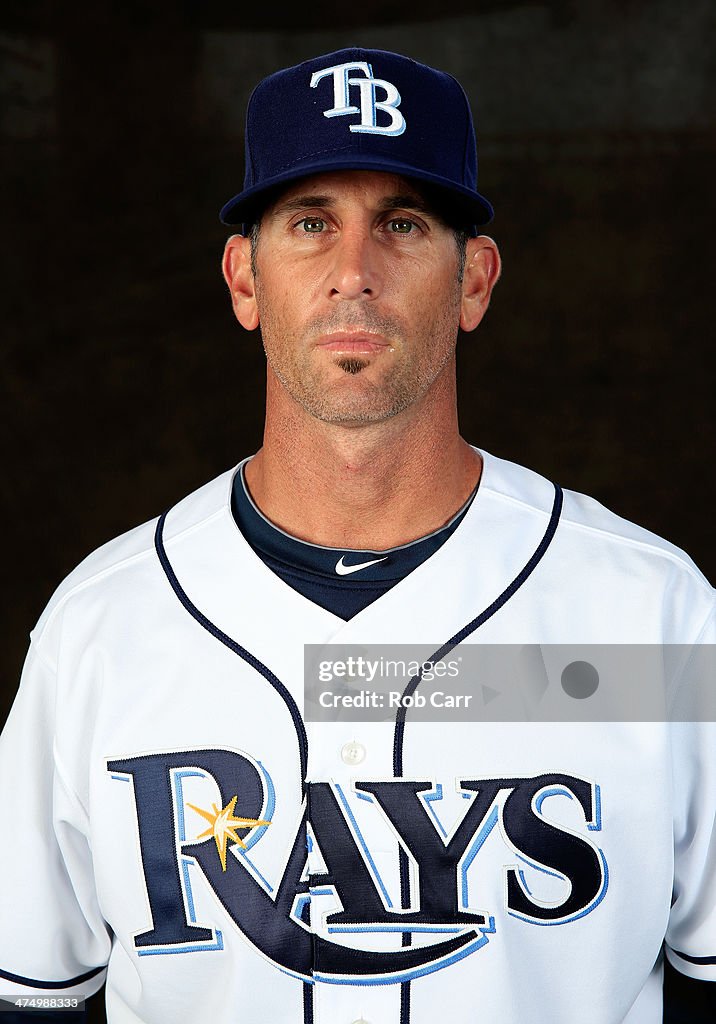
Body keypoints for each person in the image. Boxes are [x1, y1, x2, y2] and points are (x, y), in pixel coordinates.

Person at [1, 47, 714, 1024]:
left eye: (402, 224)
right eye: (308, 222)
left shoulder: (652, 621)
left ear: (474, 281)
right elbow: (36, 999)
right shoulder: (98, 630)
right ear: (243, 280)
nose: (352, 274)